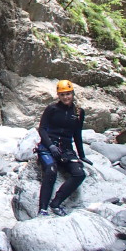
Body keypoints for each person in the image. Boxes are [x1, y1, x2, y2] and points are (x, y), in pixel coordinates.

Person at [36, 79, 92, 216]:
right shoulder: (52, 109)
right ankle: (42, 208)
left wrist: (82, 155)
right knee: (51, 170)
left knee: (79, 174)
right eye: (62, 94)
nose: (66, 97)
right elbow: (42, 129)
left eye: (68, 94)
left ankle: (56, 203)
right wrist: (50, 146)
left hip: (66, 149)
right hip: (48, 147)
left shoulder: (78, 112)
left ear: (72, 93)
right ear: (58, 96)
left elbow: (77, 134)